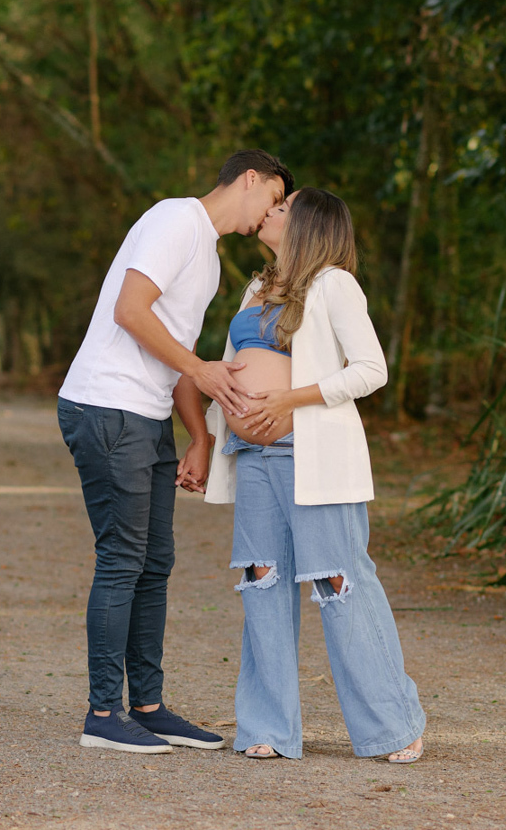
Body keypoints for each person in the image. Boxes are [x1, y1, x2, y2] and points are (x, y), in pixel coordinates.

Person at [58, 149, 294, 754]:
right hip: (107, 405)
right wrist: (200, 370)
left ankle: (147, 706)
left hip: (146, 414)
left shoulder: (208, 260)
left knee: (154, 561)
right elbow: (130, 311)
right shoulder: (174, 219)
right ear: (251, 179)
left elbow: (181, 361)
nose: (270, 214)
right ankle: (103, 713)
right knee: (122, 559)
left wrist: (200, 436)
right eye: (274, 198)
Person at [205, 187, 426, 762]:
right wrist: (207, 439)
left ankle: (394, 726)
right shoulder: (257, 288)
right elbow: (230, 368)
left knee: (338, 581)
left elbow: (371, 369)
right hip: (252, 455)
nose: (270, 211)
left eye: (284, 207)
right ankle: (268, 727)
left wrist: (291, 399)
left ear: (309, 225)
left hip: (312, 455)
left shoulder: (333, 284)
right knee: (261, 579)